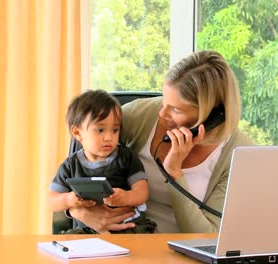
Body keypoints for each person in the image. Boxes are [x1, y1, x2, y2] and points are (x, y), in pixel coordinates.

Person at [67, 50, 253, 233]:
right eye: (164, 100)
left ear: (212, 114)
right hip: (121, 243)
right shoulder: (139, 116)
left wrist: (174, 173)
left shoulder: (240, 154)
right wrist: (79, 212)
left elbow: (205, 235)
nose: (163, 114)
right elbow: (73, 170)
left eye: (176, 110)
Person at [47, 89, 157, 234]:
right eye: (100, 130)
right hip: (87, 230)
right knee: (69, 240)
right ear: (77, 133)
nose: (108, 137)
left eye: (115, 130)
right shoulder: (71, 165)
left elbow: (142, 192)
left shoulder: (126, 157)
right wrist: (69, 199)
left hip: (127, 227)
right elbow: (51, 200)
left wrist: (126, 197)